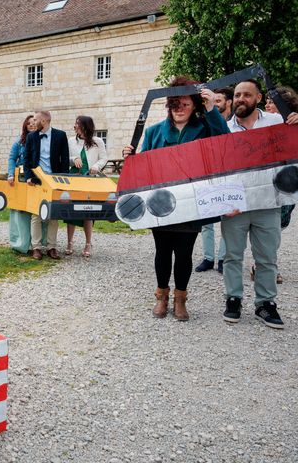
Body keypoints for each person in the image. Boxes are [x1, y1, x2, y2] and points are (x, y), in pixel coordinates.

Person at [122, 77, 230, 321]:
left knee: (184, 253)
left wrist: (212, 107)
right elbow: (143, 169)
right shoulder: (153, 132)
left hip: (190, 203)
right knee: (162, 251)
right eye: (174, 104)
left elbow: (225, 142)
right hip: (160, 203)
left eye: (184, 104)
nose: (178, 109)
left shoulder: (206, 128)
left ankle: (181, 298)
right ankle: (161, 296)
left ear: (194, 105)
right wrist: (132, 158)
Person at [221, 79, 290, 329]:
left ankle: (265, 303)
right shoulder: (224, 130)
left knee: (267, 257)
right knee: (232, 256)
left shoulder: (277, 122)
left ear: (258, 98)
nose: (241, 99)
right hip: (234, 206)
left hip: (268, 202)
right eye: (237, 95)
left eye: (247, 95)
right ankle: (233, 298)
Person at [256, 85, 298, 284]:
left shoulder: (293, 123)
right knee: (266, 226)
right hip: (265, 183)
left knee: (279, 225)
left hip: (288, 182)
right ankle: (263, 266)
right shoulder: (260, 122)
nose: (268, 105)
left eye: (273, 102)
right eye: (268, 101)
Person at [195, 87, 232, 273]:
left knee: (227, 220)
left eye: (218, 101)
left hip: (228, 177)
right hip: (207, 174)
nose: (214, 104)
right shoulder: (204, 122)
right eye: (212, 101)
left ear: (228, 103)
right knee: (206, 220)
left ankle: (223, 259)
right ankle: (208, 257)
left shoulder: (234, 123)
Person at [24, 110, 70, 260]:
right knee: (36, 215)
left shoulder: (60, 135)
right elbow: (27, 159)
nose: (33, 122)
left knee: (53, 216)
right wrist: (29, 177)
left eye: (36, 120)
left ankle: (52, 247)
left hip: (54, 181)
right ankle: (36, 247)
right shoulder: (31, 137)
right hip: (37, 181)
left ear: (43, 121)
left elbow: (65, 159)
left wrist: (62, 180)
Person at [65, 115, 108, 257]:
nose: (75, 126)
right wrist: (73, 159)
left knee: (87, 211)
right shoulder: (71, 141)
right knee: (71, 211)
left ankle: (88, 243)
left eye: (77, 124)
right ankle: (69, 242)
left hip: (90, 179)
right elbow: (66, 159)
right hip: (74, 179)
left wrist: (96, 166)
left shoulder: (98, 141)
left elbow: (104, 158)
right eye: (75, 124)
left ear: (85, 126)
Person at [7, 115, 44, 254]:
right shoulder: (19, 142)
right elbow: (12, 158)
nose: (32, 125)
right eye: (28, 124)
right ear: (25, 126)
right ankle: (22, 242)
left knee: (36, 211)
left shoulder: (41, 139)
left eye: (33, 123)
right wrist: (11, 174)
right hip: (22, 178)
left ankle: (37, 243)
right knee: (21, 211)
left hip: (36, 178)